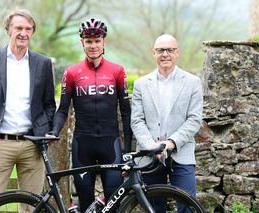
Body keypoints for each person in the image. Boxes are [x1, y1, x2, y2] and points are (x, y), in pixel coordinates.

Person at [0, 8, 56, 209]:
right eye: (19, 28)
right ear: (8, 30)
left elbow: (49, 104)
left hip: (32, 144)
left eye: (28, 29)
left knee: (31, 206)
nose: (23, 33)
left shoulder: (42, 63)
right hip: (0, 143)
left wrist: (44, 132)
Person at [48, 18, 132, 212]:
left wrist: (127, 150)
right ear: (82, 42)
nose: (93, 45)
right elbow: (63, 110)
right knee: (85, 202)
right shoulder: (71, 73)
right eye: (88, 41)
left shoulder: (117, 71)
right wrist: (53, 131)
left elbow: (126, 112)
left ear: (104, 42)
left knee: (114, 201)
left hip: (110, 145)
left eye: (97, 40)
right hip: (82, 145)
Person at [131, 34, 203, 212]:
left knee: (188, 206)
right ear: (153, 53)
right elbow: (137, 121)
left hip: (181, 153)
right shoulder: (141, 84)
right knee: (153, 208)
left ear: (177, 52)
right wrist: (152, 147)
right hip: (149, 156)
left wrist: (171, 143)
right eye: (160, 50)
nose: (165, 54)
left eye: (169, 50)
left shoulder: (193, 82)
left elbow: (194, 119)